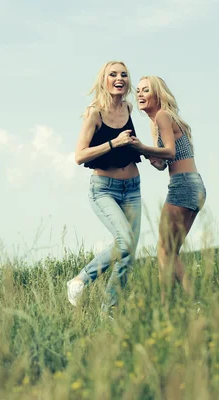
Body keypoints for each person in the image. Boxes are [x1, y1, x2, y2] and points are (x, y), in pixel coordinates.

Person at [67, 61, 142, 314]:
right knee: (125, 241)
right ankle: (80, 280)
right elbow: (80, 155)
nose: (119, 78)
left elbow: (128, 144)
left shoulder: (129, 107)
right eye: (113, 74)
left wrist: (146, 151)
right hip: (104, 189)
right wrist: (113, 143)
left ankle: (107, 313)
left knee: (128, 253)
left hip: (132, 187)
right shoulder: (94, 113)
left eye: (124, 74)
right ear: (104, 80)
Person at [130, 76, 206, 304]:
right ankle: (190, 302)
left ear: (157, 94)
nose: (140, 95)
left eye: (146, 90)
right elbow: (163, 163)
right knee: (170, 251)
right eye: (138, 91)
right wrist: (149, 155)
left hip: (183, 184)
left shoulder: (163, 115)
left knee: (164, 250)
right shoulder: (159, 123)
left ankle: (168, 304)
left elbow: (171, 152)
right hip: (193, 184)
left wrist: (142, 147)